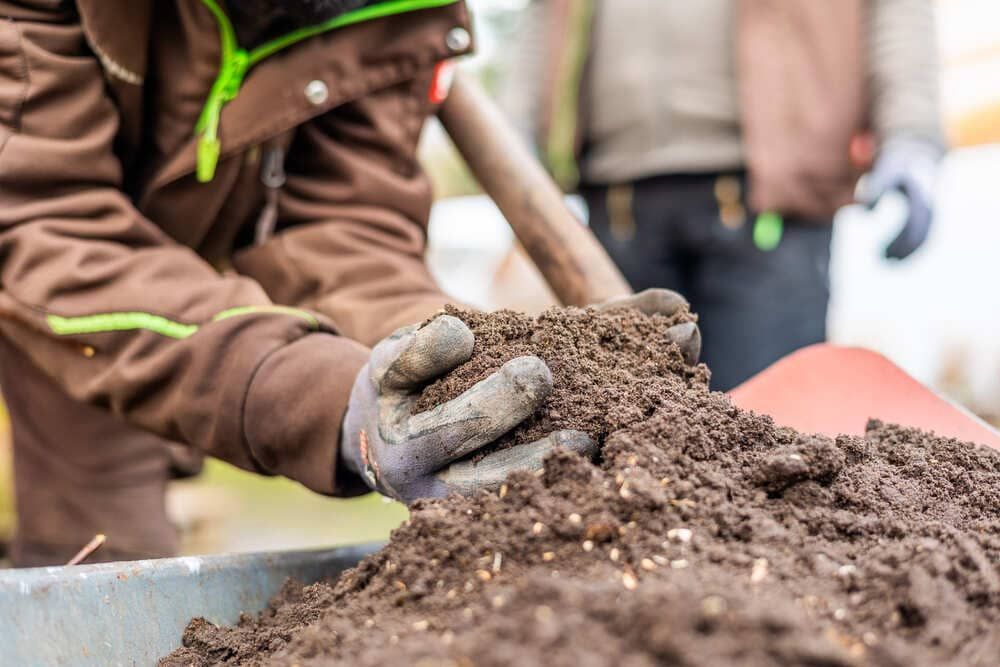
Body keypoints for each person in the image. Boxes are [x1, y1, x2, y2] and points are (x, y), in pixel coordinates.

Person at [503, 0, 945, 390]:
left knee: (774, 435)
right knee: (622, 445)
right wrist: (511, 137)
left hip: (767, 206)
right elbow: (546, 13)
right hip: (613, 209)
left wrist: (911, 134)